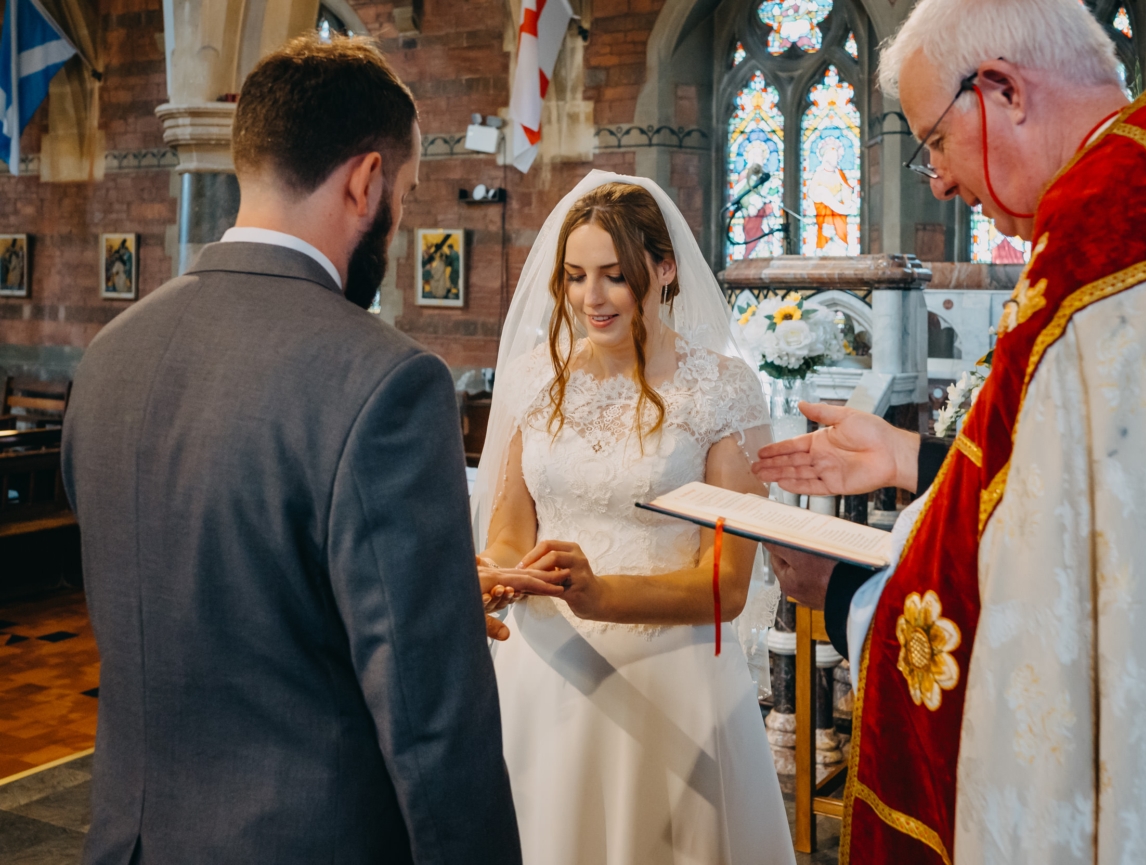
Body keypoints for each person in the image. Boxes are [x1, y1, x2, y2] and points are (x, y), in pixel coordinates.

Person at [753, 0, 1146, 862]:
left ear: (1002, 90)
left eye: (933, 140)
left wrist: (850, 593)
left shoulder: (1102, 256)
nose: (934, 179)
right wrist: (912, 458)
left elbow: (1038, 628)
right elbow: (1124, 514)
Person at [62, 36, 542, 864]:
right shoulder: (387, 379)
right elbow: (433, 727)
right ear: (366, 181)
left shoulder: (110, 352)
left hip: (131, 840)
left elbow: (211, 579)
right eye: (407, 192)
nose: (400, 217)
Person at [474, 173, 794, 865]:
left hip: (667, 679)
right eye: (575, 276)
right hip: (544, 672)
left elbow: (728, 584)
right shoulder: (535, 379)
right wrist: (496, 572)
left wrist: (600, 592)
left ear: (665, 268)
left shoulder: (723, 389)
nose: (592, 298)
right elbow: (508, 529)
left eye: (615, 276)